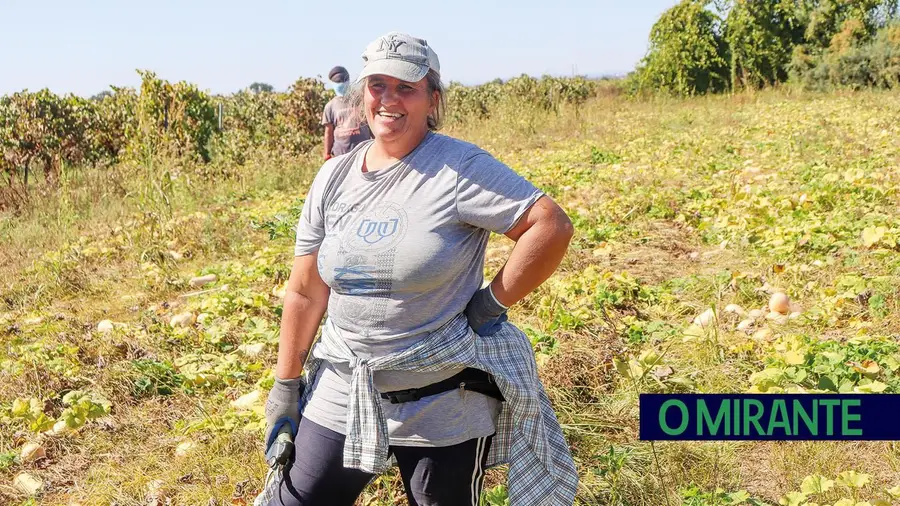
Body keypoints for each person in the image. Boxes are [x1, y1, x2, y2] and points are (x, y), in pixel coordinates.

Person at [261, 31, 579, 506]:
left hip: (440, 396)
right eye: (377, 86)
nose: (388, 100)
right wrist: (287, 385)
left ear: (432, 98)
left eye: (405, 87)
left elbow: (549, 226)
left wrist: (491, 301)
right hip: (346, 382)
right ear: (362, 94)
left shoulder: (458, 168)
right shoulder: (333, 177)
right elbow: (306, 291)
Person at [321, 65, 373, 161]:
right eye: (337, 82)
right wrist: (327, 153)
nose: (341, 83)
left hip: (364, 152)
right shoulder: (330, 106)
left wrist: (377, 142)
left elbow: (371, 121)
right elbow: (328, 132)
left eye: (342, 80)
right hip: (340, 155)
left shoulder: (360, 99)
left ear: (348, 81)